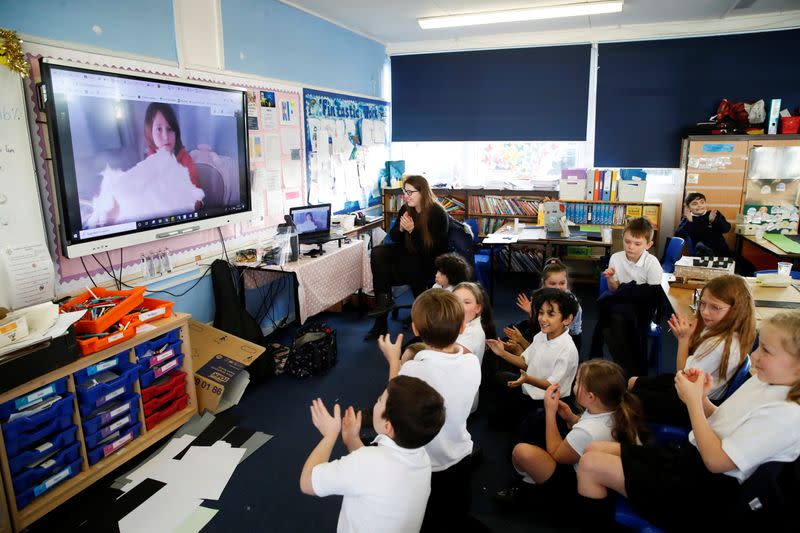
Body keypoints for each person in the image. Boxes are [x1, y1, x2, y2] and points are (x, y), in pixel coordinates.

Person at [576, 311, 800, 531]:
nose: (756, 356)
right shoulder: (767, 380)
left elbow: (717, 462)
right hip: (688, 461)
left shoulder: (787, 415)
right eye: (759, 346)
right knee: (593, 448)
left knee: (590, 465)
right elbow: (722, 421)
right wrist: (702, 398)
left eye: (766, 351)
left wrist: (693, 403)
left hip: (703, 493)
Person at [378, 289, 481, 531]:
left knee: (426, 518)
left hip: (426, 463)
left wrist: (394, 361)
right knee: (455, 514)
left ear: (415, 329)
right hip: (460, 455)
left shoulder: (414, 370)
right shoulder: (471, 362)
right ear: (463, 328)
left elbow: (394, 401)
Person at [299, 375, 446, 533]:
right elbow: (372, 472)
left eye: (379, 400)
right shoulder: (422, 457)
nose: (376, 402)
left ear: (388, 426)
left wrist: (330, 435)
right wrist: (352, 440)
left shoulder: (367, 462)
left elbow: (307, 483)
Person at [495, 360, 646, 510]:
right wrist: (571, 418)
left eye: (577, 383)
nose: (574, 385)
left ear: (591, 397)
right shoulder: (615, 409)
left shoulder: (587, 431)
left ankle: (536, 493)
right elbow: (590, 426)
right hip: (608, 477)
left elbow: (556, 453)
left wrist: (550, 411)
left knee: (521, 452)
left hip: (578, 485)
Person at [629, 275, 756, 426]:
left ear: (737, 309)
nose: (705, 312)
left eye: (715, 307)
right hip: (695, 393)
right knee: (632, 382)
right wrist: (686, 338)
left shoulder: (716, 344)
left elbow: (682, 374)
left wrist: (683, 340)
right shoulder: (731, 333)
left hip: (688, 404)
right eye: (702, 303)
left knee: (627, 398)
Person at [365, 176, 449, 341]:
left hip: (429, 261)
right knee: (377, 253)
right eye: (405, 192)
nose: (406, 196)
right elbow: (395, 237)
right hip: (408, 256)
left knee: (404, 266)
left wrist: (413, 231)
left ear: (423, 192)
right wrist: (402, 229)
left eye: (410, 192)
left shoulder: (438, 213)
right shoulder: (406, 209)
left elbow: (435, 250)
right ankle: (384, 306)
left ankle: (420, 316)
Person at [486, 289, 580, 432]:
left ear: (567, 319)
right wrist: (502, 352)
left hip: (547, 400)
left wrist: (527, 379)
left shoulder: (567, 349)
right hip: (529, 387)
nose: (542, 318)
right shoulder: (541, 335)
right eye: (541, 313)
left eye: (551, 314)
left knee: (519, 441)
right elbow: (525, 361)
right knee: (499, 378)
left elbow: (551, 386)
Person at [589, 217, 663, 376]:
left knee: (612, 324)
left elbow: (653, 296)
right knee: (615, 321)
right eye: (627, 241)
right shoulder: (616, 258)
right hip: (621, 305)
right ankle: (630, 372)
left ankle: (623, 369)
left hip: (642, 308)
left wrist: (626, 289)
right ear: (622, 239)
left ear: (648, 245)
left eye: (637, 244)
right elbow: (614, 290)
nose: (630, 247)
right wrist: (610, 279)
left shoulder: (652, 263)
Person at [509, 258, 584, 353]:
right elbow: (539, 324)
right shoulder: (541, 296)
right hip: (547, 331)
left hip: (567, 337)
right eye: (552, 283)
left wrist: (533, 314)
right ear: (543, 284)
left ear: (567, 283)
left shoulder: (570, 303)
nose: (558, 287)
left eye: (562, 283)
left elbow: (556, 331)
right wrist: (532, 313)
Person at [453, 282, 496, 412]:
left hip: (461, 401)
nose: (459, 306)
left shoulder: (472, 333)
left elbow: (446, 356)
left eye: (466, 302)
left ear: (478, 308)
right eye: (455, 301)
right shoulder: (460, 323)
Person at [144, 102, 199, 189]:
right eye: (159, 129)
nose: (165, 137)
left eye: (169, 129)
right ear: (150, 132)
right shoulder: (147, 164)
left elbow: (196, 195)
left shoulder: (186, 159)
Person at [675, 192, 732, 256]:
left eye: (702, 202)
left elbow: (727, 229)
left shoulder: (713, 214)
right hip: (700, 254)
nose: (699, 205)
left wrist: (714, 221)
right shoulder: (688, 219)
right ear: (689, 207)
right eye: (695, 204)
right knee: (701, 246)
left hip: (720, 252)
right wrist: (689, 222)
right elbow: (678, 236)